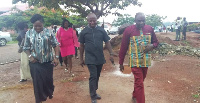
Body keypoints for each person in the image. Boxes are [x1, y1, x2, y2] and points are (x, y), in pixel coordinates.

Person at [119, 12, 159, 103]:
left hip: (146, 60)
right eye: (139, 21)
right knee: (139, 82)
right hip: (134, 61)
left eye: (143, 21)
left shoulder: (150, 28)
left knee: (140, 80)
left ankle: (134, 95)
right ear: (135, 21)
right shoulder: (129, 30)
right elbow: (123, 47)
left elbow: (156, 42)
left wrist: (152, 45)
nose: (141, 23)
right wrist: (121, 63)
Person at [79, 13, 116, 103]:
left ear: (96, 20)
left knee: (97, 75)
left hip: (99, 57)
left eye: (94, 20)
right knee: (93, 76)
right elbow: (81, 46)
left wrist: (111, 53)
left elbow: (107, 42)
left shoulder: (101, 30)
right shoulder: (84, 32)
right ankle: (93, 96)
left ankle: (94, 91)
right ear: (87, 21)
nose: (92, 22)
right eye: (90, 20)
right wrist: (81, 58)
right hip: (90, 58)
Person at [23, 14, 59, 103]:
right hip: (35, 63)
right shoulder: (29, 33)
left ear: (43, 23)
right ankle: (38, 100)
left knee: (48, 82)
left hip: (47, 63)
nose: (38, 28)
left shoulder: (49, 32)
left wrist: (56, 57)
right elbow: (26, 48)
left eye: (40, 25)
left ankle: (48, 92)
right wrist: (30, 57)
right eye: (36, 26)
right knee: (37, 83)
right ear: (33, 25)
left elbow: (56, 45)